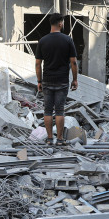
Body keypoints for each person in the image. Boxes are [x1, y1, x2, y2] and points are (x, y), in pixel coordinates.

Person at [34, 13, 79, 144]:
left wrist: (39, 81)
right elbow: (74, 62)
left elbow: (38, 64)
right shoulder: (67, 40)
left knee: (47, 110)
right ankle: (59, 139)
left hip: (47, 80)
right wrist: (75, 79)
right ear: (60, 23)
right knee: (60, 110)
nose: (63, 24)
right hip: (62, 81)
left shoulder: (43, 41)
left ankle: (49, 139)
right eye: (63, 22)